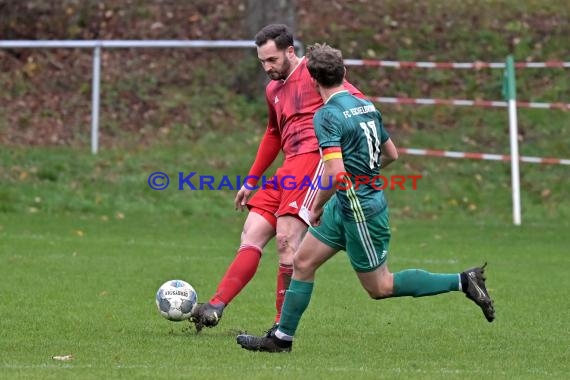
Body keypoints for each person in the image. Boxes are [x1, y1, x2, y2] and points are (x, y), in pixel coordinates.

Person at [236, 43, 495, 353]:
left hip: (359, 209)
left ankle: (464, 281)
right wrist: (365, 173)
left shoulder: (327, 116)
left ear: (314, 81)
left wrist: (316, 206)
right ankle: (281, 339)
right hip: (344, 203)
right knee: (303, 263)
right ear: (344, 73)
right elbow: (391, 154)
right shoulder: (366, 105)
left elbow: (335, 175)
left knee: (380, 287)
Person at [190, 25, 365, 333]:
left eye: (271, 60)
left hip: (315, 163)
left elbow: (355, 103)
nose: (267, 67)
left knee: (287, 240)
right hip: (288, 168)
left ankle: (280, 329)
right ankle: (215, 306)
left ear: (289, 51)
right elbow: (273, 134)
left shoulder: (315, 75)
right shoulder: (273, 90)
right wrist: (250, 181)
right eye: (262, 62)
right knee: (252, 232)